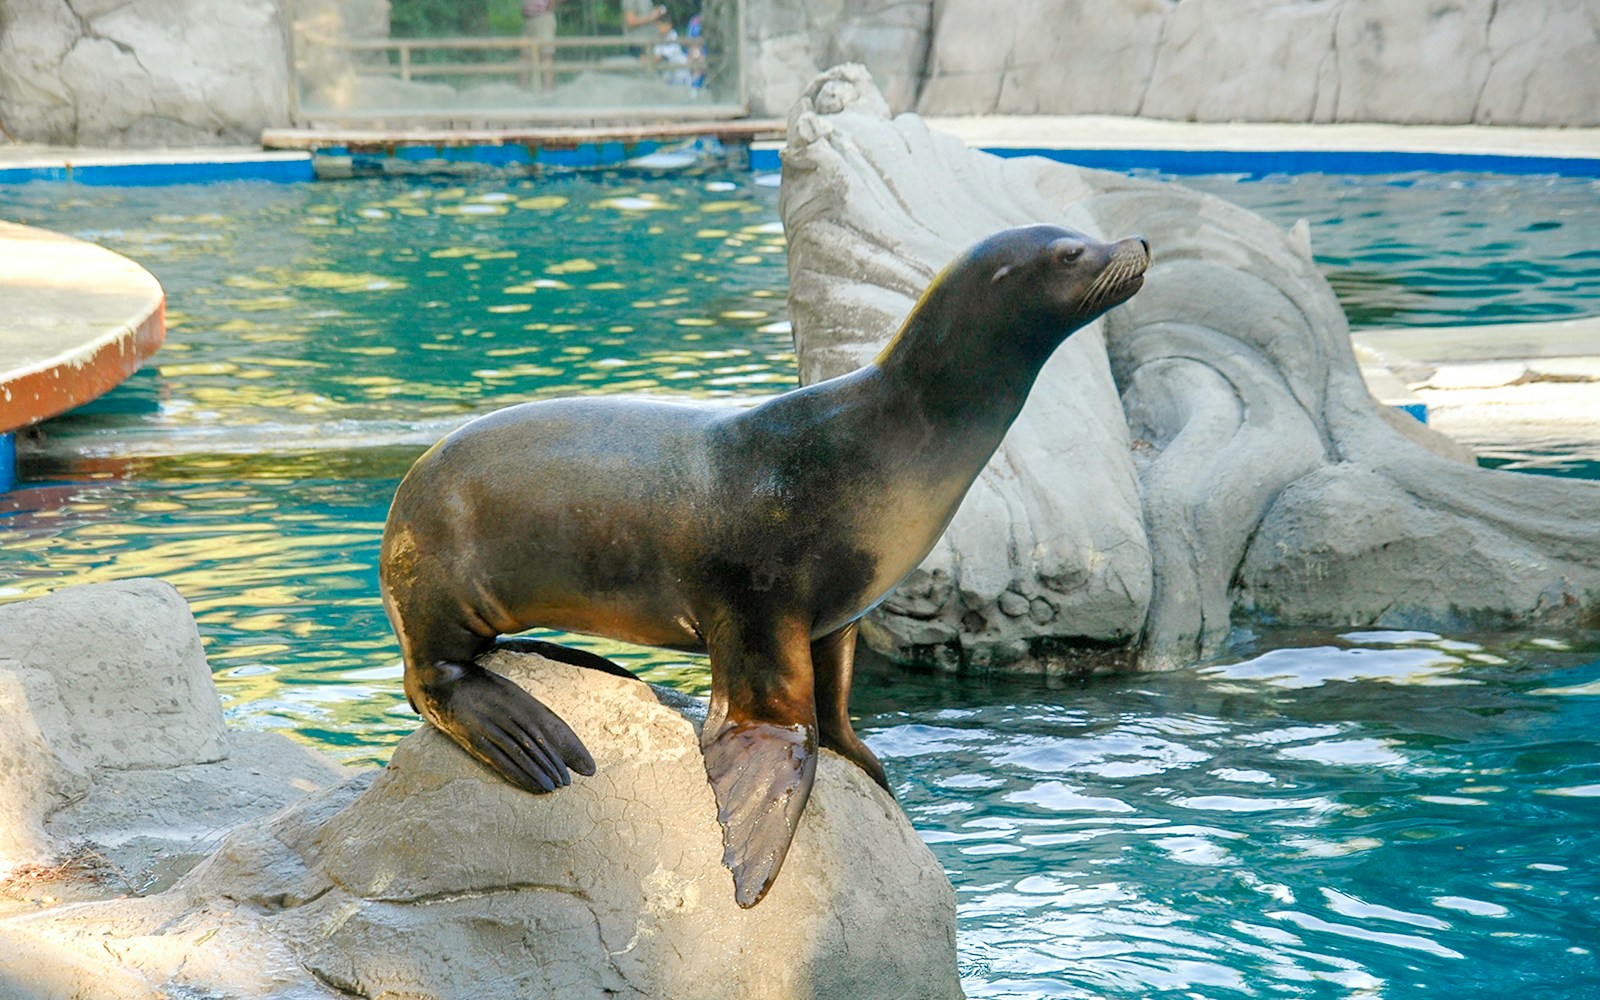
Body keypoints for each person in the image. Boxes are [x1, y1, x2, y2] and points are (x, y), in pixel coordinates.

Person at [522, 0, 560, 91]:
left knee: (545, 55)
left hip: (543, 18)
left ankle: (547, 90)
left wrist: (547, 9)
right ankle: (522, 89)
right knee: (525, 56)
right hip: (529, 18)